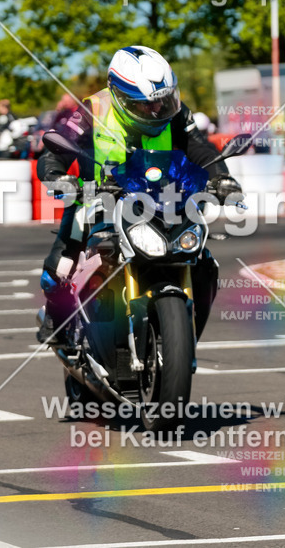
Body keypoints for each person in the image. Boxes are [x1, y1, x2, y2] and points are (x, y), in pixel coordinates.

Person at [35, 45, 243, 344]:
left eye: (163, 102)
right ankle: (56, 318)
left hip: (164, 201)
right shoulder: (91, 110)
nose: (156, 110)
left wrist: (221, 178)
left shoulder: (176, 113)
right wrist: (57, 176)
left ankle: (183, 335)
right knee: (62, 264)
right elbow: (56, 149)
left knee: (202, 260)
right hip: (98, 199)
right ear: (118, 96)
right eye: (145, 105)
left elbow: (199, 147)